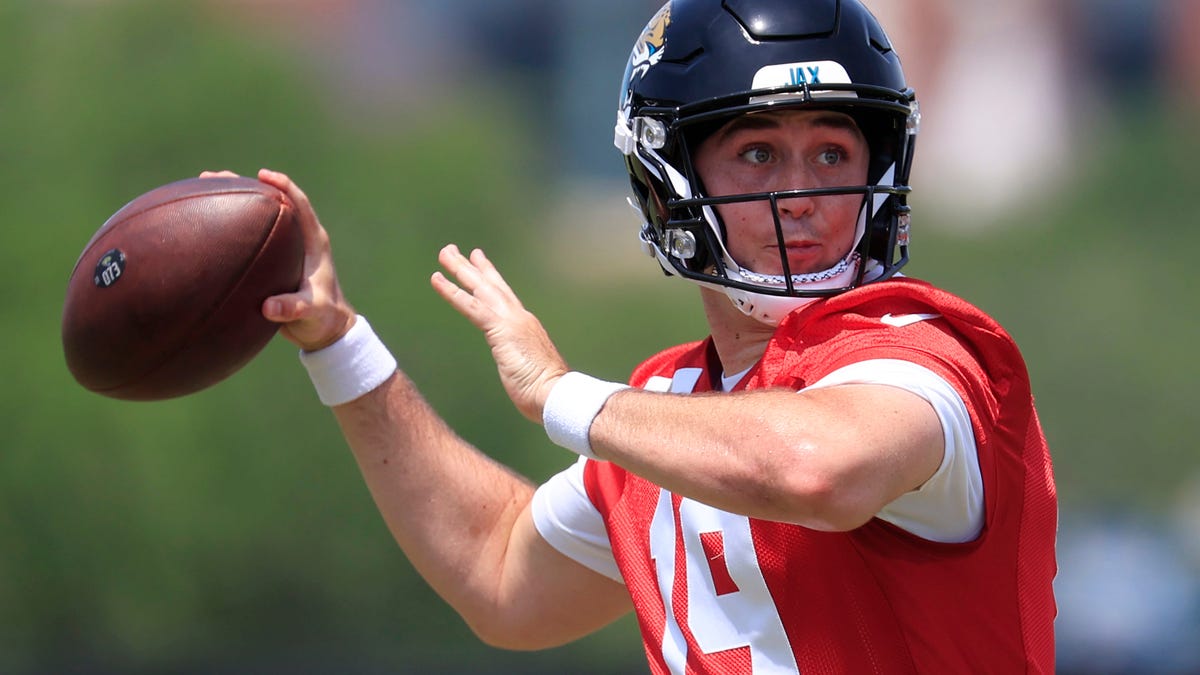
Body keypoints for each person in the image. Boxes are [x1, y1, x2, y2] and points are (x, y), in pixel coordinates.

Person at [211, 0, 1058, 671]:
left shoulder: (928, 353)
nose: (801, 193)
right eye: (759, 154)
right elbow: (500, 574)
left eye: (833, 153)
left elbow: (814, 467)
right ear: (667, 181)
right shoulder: (669, 409)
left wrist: (564, 396)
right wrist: (338, 343)